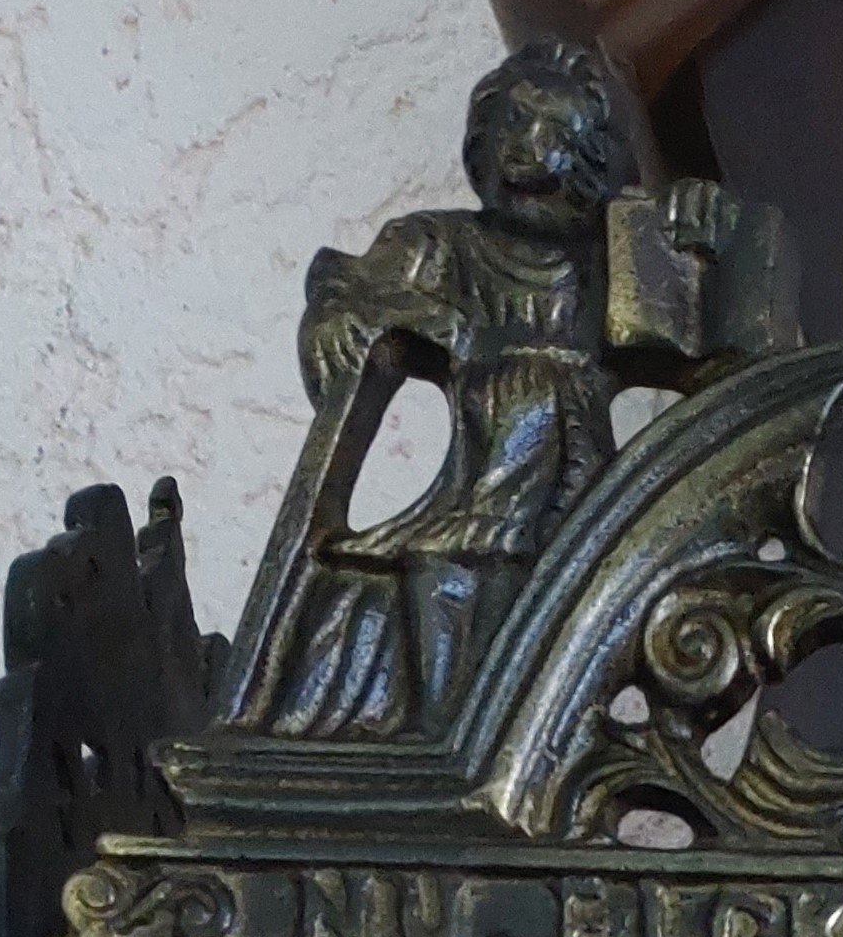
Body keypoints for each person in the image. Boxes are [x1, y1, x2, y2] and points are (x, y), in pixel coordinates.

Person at [253, 40, 634, 743]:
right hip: (478, 477)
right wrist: (348, 318)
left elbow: (706, 317)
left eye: (555, 132)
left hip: (578, 482)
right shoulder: (437, 244)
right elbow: (352, 292)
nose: (529, 148)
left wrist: (700, 222)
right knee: (445, 562)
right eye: (514, 123)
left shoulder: (613, 261)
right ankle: (445, 741)